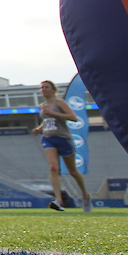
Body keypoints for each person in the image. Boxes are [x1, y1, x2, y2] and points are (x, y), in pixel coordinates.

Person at [32, 79, 91, 213]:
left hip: (63, 138)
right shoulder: (42, 106)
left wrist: (54, 113)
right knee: (53, 167)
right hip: (48, 138)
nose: (44, 90)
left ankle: (85, 195)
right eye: (42, 88)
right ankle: (58, 200)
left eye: (46, 87)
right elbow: (48, 121)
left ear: (53, 89)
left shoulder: (60, 103)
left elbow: (73, 117)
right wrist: (40, 128)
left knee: (72, 171)